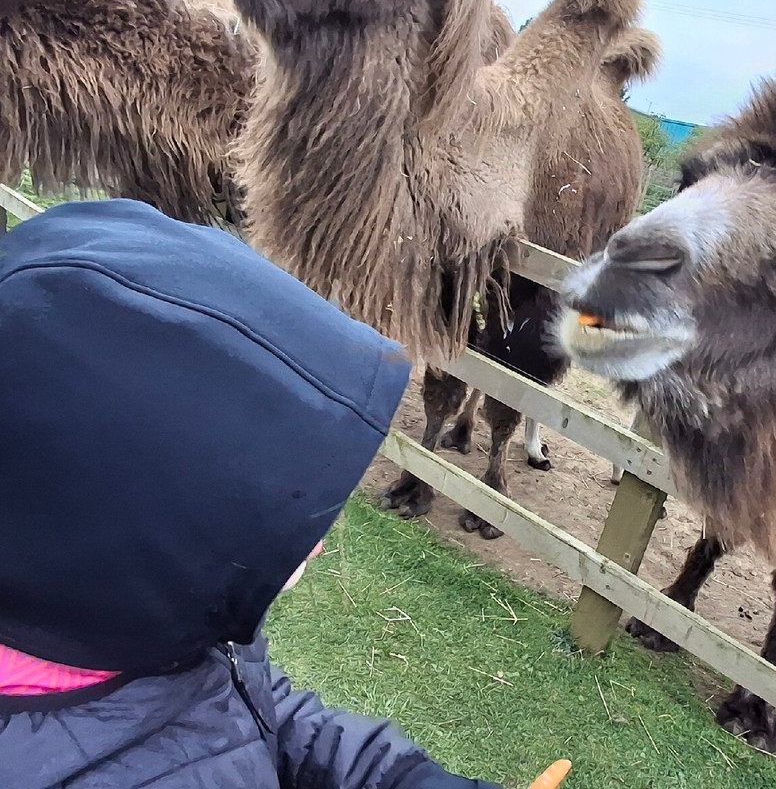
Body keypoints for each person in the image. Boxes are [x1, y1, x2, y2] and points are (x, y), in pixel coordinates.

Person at [0, 199, 503, 789]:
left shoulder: (167, 634)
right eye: (280, 515)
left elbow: (264, 716)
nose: (318, 545)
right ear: (136, 525)